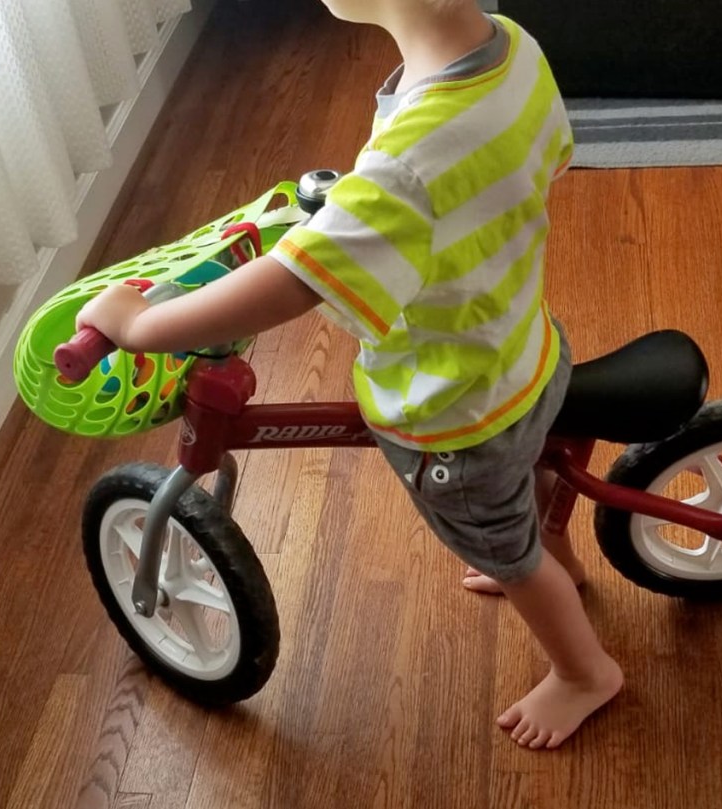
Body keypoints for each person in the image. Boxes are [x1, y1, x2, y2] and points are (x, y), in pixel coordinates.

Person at [76, 0, 622, 750]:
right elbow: (531, 162)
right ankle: (547, 561)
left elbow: (297, 282)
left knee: (504, 544)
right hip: (521, 344)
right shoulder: (514, 51)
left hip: (455, 411)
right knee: (525, 483)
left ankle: (584, 669)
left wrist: (141, 328)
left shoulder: (409, 160)